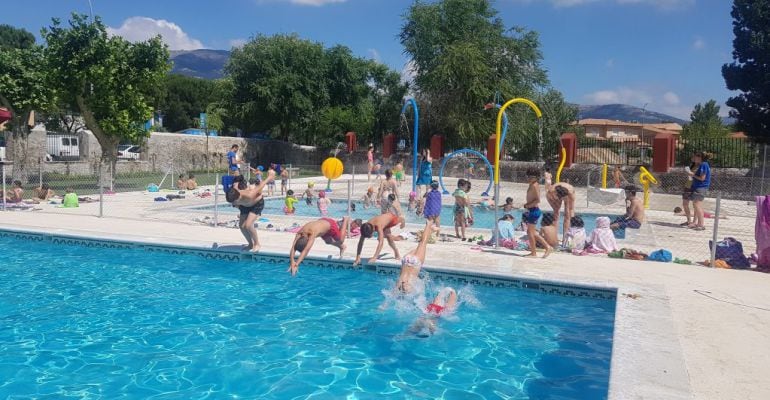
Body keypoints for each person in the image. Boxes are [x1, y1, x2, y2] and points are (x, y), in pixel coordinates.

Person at [288, 217, 362, 275]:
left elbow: (306, 251)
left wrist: (297, 264)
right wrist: (292, 262)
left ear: (307, 241)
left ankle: (345, 220)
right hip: (322, 223)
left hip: (330, 225)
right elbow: (293, 247)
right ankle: (342, 247)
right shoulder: (299, 233)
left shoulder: (312, 234)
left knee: (341, 240)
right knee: (328, 241)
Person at [226, 170, 275, 252]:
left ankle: (257, 243)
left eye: (234, 202)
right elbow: (235, 185)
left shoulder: (249, 195)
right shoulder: (233, 193)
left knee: (248, 225)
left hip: (257, 204)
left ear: (238, 198)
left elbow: (260, 187)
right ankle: (250, 244)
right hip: (245, 206)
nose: (233, 204)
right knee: (242, 226)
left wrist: (269, 177)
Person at [393, 220, 438, 293]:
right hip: (406, 260)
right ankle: (430, 230)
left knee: (423, 242)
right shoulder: (398, 285)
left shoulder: (409, 288)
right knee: (420, 244)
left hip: (415, 263)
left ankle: (428, 224)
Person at [523, 168, 553, 258]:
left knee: (530, 233)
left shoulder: (535, 185)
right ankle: (548, 247)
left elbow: (537, 200)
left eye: (531, 177)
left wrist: (527, 205)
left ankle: (534, 253)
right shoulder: (532, 184)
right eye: (528, 176)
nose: (528, 178)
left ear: (536, 177)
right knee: (531, 232)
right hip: (532, 210)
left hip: (534, 211)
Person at [687, 151, 711, 231]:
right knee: (696, 205)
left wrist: (692, 175)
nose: (694, 158)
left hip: (701, 187)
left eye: (696, 157)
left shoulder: (704, 165)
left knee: (697, 205)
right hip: (698, 187)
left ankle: (701, 224)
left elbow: (702, 178)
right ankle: (698, 223)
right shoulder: (703, 164)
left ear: (700, 158)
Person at [679, 162, 696, 227]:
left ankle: (694, 222)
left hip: (694, 187)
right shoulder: (692, 165)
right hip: (688, 186)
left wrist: (692, 174)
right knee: (685, 204)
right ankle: (689, 221)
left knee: (696, 205)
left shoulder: (701, 166)